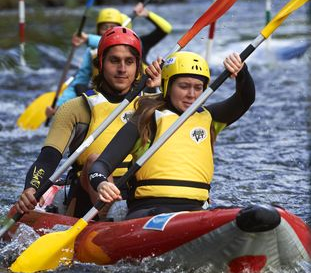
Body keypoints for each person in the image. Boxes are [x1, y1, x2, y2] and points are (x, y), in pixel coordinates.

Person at [88, 51, 256, 220]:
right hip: (148, 211)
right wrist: (101, 183)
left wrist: (242, 72)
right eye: (183, 86)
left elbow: (245, 98)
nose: (191, 94)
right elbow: (101, 165)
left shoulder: (210, 118)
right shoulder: (145, 119)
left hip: (195, 212)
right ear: (167, 85)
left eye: (198, 88)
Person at [15, 27, 156, 219]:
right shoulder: (75, 108)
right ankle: (111, 220)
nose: (122, 69)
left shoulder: (153, 105)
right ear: (100, 63)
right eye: (114, 60)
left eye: (129, 62)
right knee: (93, 160)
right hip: (88, 200)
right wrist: (31, 188)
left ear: (137, 66)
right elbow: (49, 158)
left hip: (139, 196)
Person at [46, 3, 172, 117]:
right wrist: (60, 106)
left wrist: (147, 14)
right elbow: (79, 81)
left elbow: (166, 29)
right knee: (80, 87)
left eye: (129, 61)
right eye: (104, 27)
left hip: (139, 91)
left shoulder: (137, 43)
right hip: (107, 93)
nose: (108, 31)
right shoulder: (91, 52)